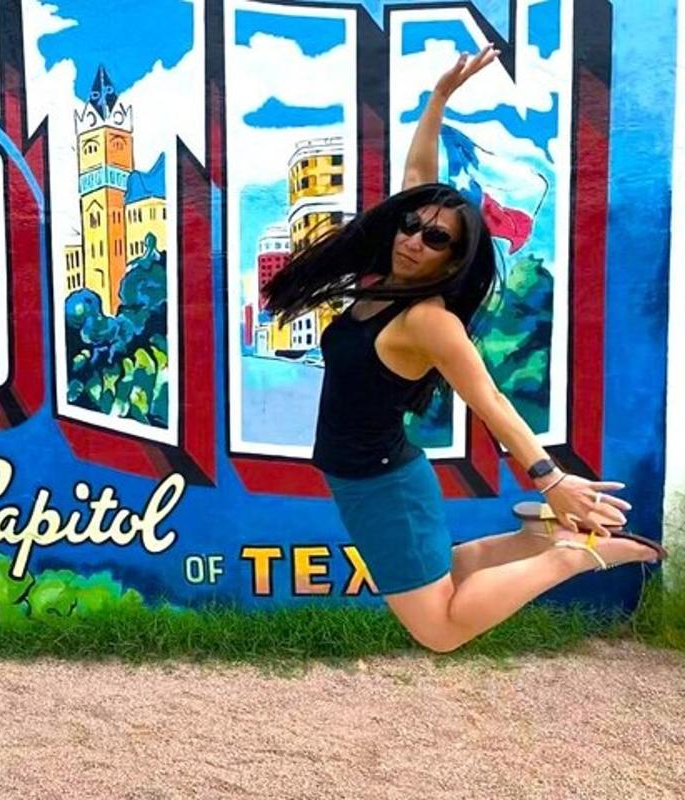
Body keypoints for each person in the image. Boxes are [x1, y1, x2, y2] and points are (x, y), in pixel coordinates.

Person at [262, 48, 666, 654]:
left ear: (453, 258)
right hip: (374, 479)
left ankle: (570, 559)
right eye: (409, 226)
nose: (413, 240)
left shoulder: (429, 320)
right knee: (442, 579)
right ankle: (542, 538)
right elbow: (418, 181)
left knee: (441, 630)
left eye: (435, 238)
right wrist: (438, 100)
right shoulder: (387, 280)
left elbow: (490, 399)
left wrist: (550, 477)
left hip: (383, 486)